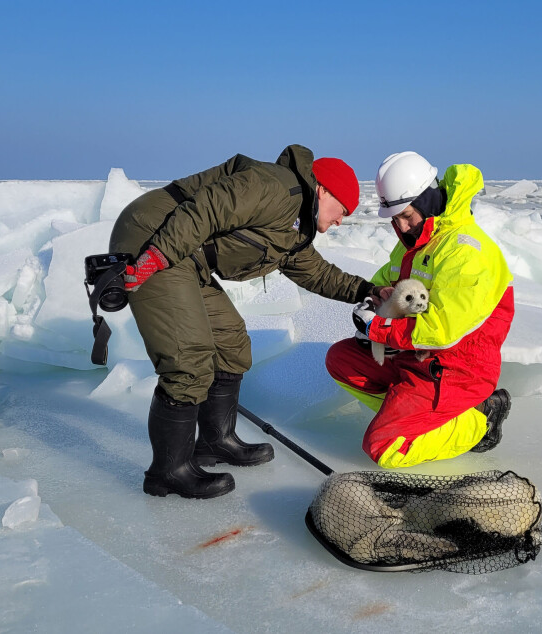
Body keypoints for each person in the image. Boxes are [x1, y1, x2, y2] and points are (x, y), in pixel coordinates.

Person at [110, 145, 376, 499]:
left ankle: (215, 441)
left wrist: (369, 290)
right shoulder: (277, 187)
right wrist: (156, 257)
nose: (342, 220)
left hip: (186, 257)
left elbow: (317, 273)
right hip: (155, 236)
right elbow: (206, 209)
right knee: (187, 359)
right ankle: (167, 471)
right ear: (323, 189)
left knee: (231, 343)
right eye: (343, 209)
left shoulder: (294, 227)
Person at [325, 151, 514, 469]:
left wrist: (378, 328)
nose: (401, 226)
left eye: (407, 215)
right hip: (413, 356)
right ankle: (410, 417)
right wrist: (373, 300)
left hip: (457, 370)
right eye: (394, 218)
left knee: (383, 448)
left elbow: (441, 330)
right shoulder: (415, 242)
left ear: (428, 202)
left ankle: (480, 419)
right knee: (341, 360)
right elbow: (385, 281)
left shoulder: (467, 252)